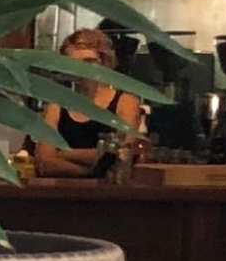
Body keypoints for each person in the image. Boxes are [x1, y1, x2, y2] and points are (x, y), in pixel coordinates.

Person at [23, 25, 148, 180]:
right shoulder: (56, 105)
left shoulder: (125, 102)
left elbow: (122, 156)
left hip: (111, 196)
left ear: (105, 62)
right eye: (74, 63)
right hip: (61, 194)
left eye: (89, 61)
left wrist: (62, 154)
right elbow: (44, 162)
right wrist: (93, 172)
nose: (82, 69)